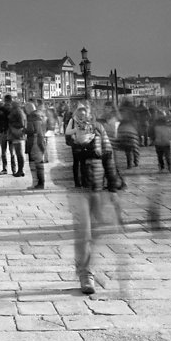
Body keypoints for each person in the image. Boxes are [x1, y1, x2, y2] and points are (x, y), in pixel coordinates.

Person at [73, 107, 123, 295]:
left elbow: (108, 156)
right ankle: (86, 274)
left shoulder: (99, 129)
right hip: (76, 188)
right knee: (84, 233)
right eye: (79, 114)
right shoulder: (71, 132)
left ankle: (86, 271)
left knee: (92, 233)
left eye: (85, 113)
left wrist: (113, 186)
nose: (83, 116)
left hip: (95, 184)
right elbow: (75, 151)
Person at [65, 104, 94, 188]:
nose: (82, 116)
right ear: (77, 113)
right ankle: (77, 183)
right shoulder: (72, 121)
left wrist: (90, 137)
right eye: (80, 114)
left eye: (83, 114)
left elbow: (92, 132)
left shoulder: (88, 121)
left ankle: (85, 182)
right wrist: (75, 129)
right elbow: (67, 132)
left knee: (84, 163)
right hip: (76, 144)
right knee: (76, 163)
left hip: (85, 144)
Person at [25, 102, 47, 189]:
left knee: (35, 163)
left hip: (34, 141)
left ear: (28, 109)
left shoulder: (32, 116)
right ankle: (38, 183)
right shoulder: (41, 115)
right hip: (40, 140)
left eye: (26, 109)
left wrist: (24, 130)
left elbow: (31, 130)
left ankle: (38, 183)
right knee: (39, 163)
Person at [7, 100, 27, 178]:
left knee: (19, 153)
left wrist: (12, 126)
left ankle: (20, 170)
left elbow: (21, 123)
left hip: (17, 134)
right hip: (18, 134)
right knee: (19, 153)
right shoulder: (19, 111)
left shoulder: (18, 112)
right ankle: (20, 170)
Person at [0, 96, 12, 174]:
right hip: (6, 131)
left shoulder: (10, 109)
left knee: (8, 152)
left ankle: (8, 168)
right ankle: (9, 168)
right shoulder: (4, 109)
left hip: (7, 132)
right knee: (6, 151)